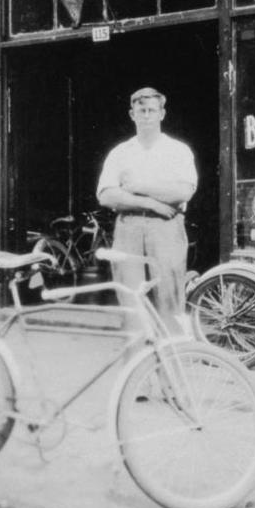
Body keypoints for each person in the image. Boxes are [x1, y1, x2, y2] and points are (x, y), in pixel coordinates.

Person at [96, 87, 197, 331]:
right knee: (132, 304)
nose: (147, 115)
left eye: (152, 110)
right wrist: (150, 202)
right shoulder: (120, 153)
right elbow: (106, 194)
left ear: (162, 114)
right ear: (132, 114)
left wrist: (138, 186)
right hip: (128, 228)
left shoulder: (177, 150)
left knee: (169, 301)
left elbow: (183, 191)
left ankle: (171, 366)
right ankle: (139, 367)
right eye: (141, 110)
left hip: (166, 229)